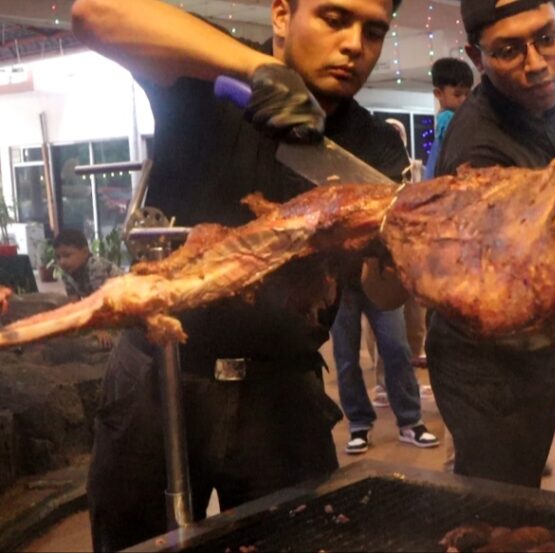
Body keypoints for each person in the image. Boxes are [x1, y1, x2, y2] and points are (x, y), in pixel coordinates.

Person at [71, 0, 408, 550]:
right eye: (334, 18)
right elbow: (95, 15)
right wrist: (256, 71)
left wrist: (400, 254)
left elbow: (383, 292)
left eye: (373, 31)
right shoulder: (207, 77)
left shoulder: (373, 146)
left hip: (284, 392)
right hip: (157, 376)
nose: (354, 45)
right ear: (282, 14)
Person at [426, 0, 555, 488]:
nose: (536, 64)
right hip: (484, 363)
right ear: (476, 56)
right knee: (498, 503)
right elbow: (532, 271)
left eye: (547, 38)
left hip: (534, 339)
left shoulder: (548, 100)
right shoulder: (478, 146)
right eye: (509, 50)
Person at [331, 116, 439, 455]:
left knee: (396, 348)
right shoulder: (330, 179)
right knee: (346, 356)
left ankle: (410, 420)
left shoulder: (386, 173)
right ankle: (359, 424)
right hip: (340, 279)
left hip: (378, 272)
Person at [53, 228, 122, 347]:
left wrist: (101, 329)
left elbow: (102, 301)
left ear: (85, 252)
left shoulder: (95, 266)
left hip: (121, 302)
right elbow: (74, 303)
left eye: (67, 255)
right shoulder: (67, 274)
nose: (62, 262)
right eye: (58, 257)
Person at [424, 57, 474, 180]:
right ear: (438, 94)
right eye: (457, 94)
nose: (463, 99)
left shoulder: (450, 117)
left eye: (467, 94)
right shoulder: (447, 118)